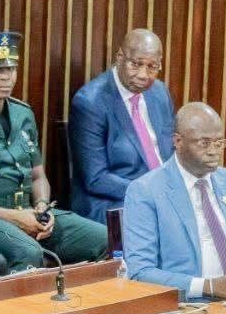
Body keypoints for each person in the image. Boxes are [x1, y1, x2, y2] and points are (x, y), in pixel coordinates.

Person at [0, 31, 107, 270]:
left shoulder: (23, 114)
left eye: (11, 69)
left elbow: (38, 176)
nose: (6, 77)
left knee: (106, 238)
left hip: (29, 214)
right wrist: (14, 217)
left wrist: (43, 207)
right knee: (28, 252)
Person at [123, 103, 226, 300]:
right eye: (204, 143)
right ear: (178, 141)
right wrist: (210, 286)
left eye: (219, 142)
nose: (214, 151)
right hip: (190, 305)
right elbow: (140, 272)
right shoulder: (146, 191)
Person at [68, 29, 175, 224]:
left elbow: (171, 151)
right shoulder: (90, 102)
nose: (143, 74)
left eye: (152, 67)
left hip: (163, 196)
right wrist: (152, 193)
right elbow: (96, 179)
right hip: (113, 202)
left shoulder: (159, 93)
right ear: (119, 57)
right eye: (136, 64)